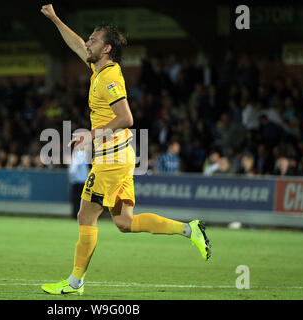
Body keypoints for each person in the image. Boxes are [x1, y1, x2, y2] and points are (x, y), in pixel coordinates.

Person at [40, 4, 211, 296]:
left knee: (86, 216)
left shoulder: (109, 78)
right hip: (120, 157)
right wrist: (55, 19)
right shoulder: (98, 67)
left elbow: (126, 117)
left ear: (106, 48)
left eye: (93, 40)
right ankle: (189, 229)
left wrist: (89, 134)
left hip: (111, 159)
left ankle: (74, 283)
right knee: (125, 222)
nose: (87, 43)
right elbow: (76, 44)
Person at [68, 149, 89, 220]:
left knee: (76, 199)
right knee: (82, 200)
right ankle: (82, 215)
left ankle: (76, 215)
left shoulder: (78, 155)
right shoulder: (83, 155)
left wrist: (71, 178)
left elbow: (73, 169)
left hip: (77, 181)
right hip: (82, 181)